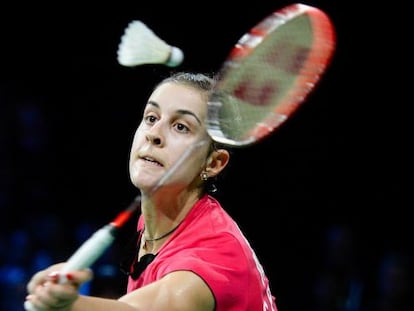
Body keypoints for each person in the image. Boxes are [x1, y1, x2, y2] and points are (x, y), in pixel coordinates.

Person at [25, 71, 278, 311]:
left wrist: (70, 306)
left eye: (181, 127)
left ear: (213, 163)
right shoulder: (161, 216)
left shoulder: (217, 256)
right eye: (151, 118)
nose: (154, 135)